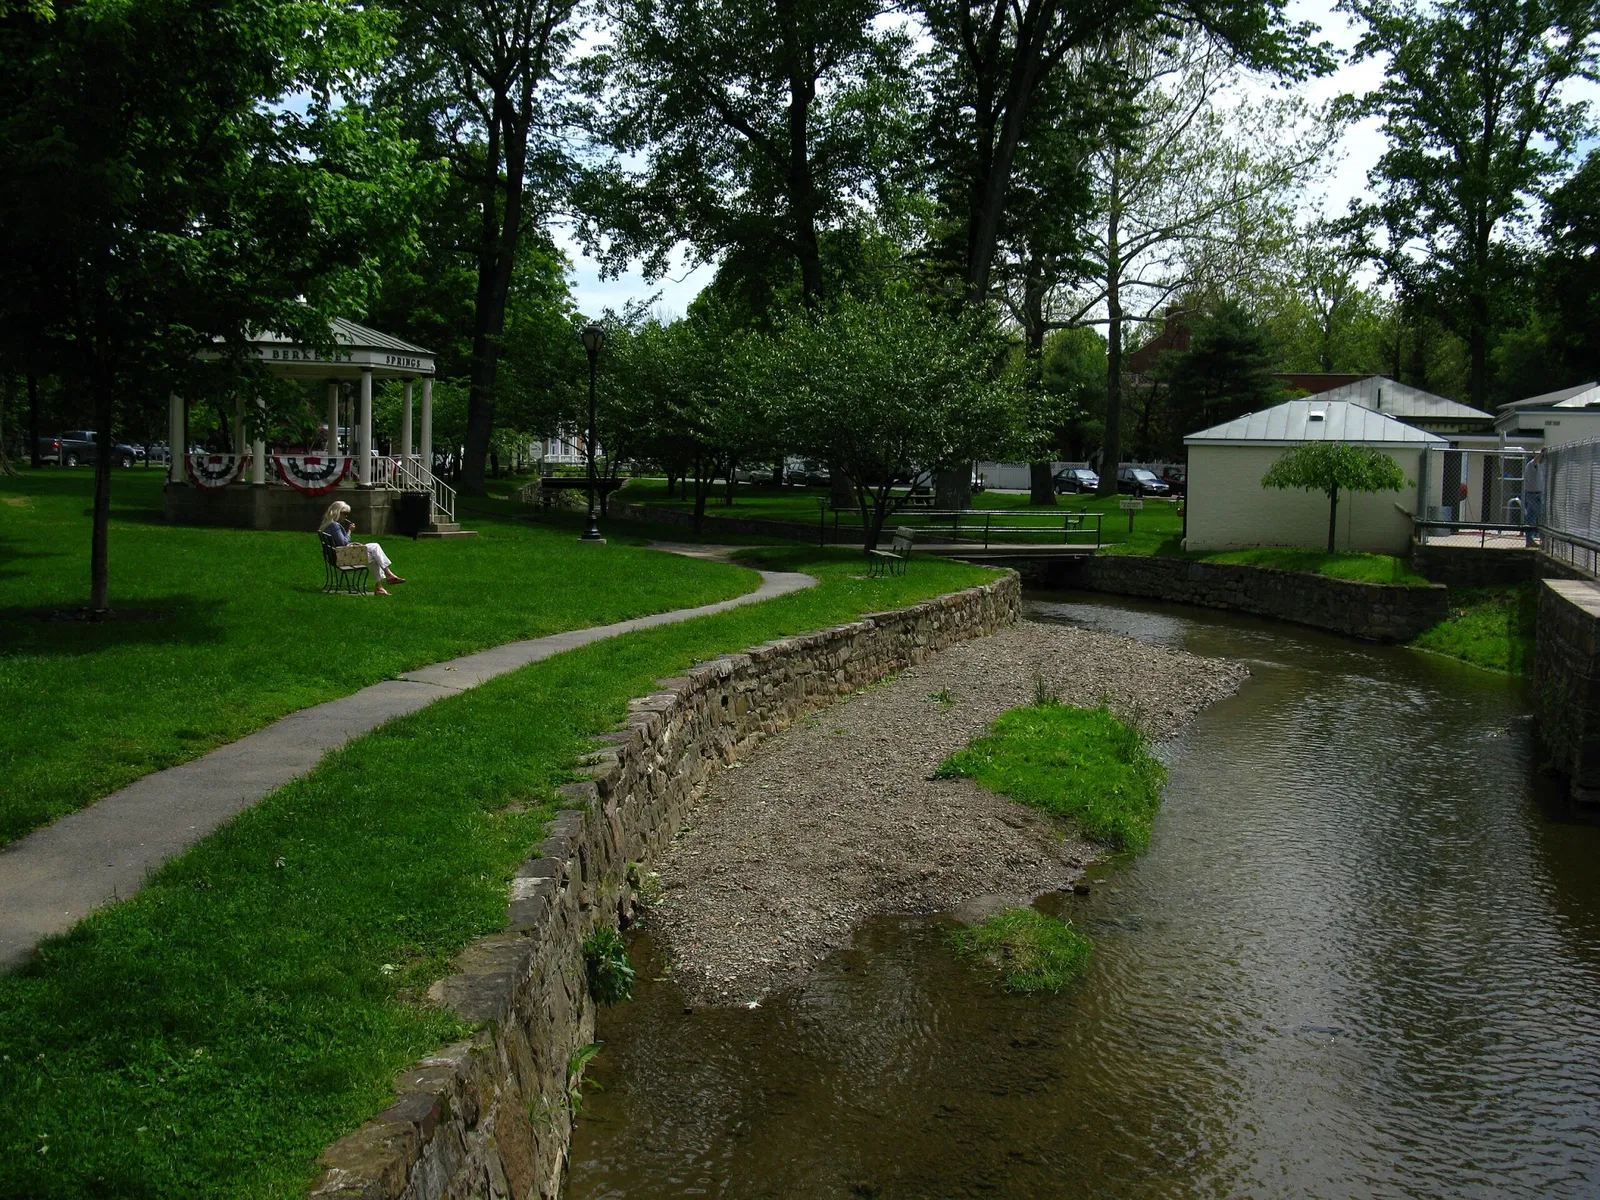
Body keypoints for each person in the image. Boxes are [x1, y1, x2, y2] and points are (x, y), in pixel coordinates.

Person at [320, 500, 406, 595]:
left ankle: (381, 585)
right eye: (345, 513)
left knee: (375, 554)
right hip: (342, 558)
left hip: (338, 556)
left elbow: (341, 543)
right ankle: (387, 576)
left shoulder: (330, 524)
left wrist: (353, 544)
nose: (346, 516)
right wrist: (349, 531)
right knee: (375, 548)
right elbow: (343, 543)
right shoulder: (334, 526)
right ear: (337, 512)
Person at [1523, 449, 1546, 547]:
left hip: (1535, 494)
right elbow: (1536, 460)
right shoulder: (1532, 464)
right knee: (1541, 516)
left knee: (1531, 518)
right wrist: (1542, 453)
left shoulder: (1540, 466)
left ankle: (1529, 540)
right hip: (1534, 495)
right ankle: (1542, 539)